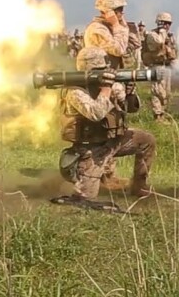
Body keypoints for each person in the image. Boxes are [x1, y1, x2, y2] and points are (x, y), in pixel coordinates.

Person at [56, 47, 155, 199]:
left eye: (105, 69)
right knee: (86, 197)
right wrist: (106, 90)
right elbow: (96, 113)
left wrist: (129, 94)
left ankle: (139, 186)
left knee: (146, 141)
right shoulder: (75, 91)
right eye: (99, 70)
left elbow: (129, 109)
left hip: (114, 140)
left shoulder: (107, 86)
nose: (105, 73)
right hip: (92, 149)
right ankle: (77, 180)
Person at [83, 0, 139, 187]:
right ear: (108, 10)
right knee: (107, 131)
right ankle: (100, 176)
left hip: (112, 83)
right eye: (118, 10)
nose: (122, 13)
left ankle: (108, 174)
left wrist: (121, 26)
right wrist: (116, 25)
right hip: (101, 87)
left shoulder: (112, 27)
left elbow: (133, 45)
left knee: (115, 128)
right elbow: (118, 49)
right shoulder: (98, 29)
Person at [142, 12, 177, 123]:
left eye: (168, 23)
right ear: (159, 23)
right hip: (156, 66)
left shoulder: (169, 36)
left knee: (166, 92)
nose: (167, 26)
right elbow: (159, 42)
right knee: (158, 92)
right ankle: (157, 116)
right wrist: (162, 32)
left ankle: (163, 114)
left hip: (166, 66)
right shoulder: (152, 35)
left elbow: (172, 51)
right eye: (164, 23)